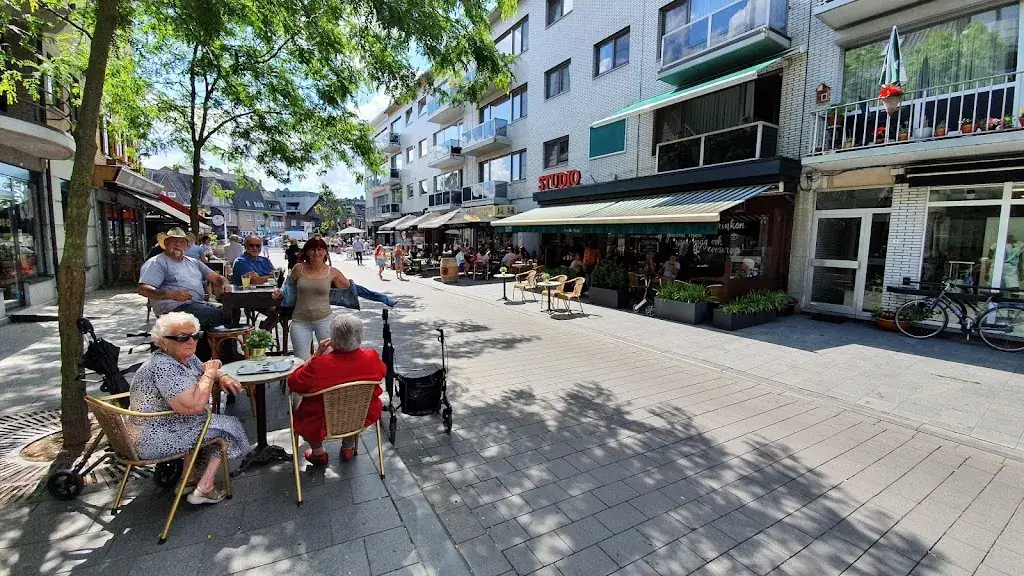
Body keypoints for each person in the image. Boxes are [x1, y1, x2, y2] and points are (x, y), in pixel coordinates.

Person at [129, 311, 249, 504]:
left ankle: (188, 479)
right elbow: (193, 407)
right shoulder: (164, 367)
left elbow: (206, 368)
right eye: (182, 337)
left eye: (195, 336)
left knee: (214, 423)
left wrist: (221, 376)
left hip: (165, 426)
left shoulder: (183, 357)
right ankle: (205, 487)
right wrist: (210, 374)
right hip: (154, 439)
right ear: (164, 341)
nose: (191, 341)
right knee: (229, 429)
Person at [287, 314, 386, 464]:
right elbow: (382, 372)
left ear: (332, 340)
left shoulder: (319, 365)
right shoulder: (371, 357)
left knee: (298, 403)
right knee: (351, 406)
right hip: (361, 416)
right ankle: (348, 447)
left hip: (322, 420)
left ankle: (318, 452)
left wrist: (316, 354)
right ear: (360, 337)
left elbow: (293, 383)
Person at [287, 238, 396, 358]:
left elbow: (355, 289)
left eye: (320, 249)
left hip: (324, 321)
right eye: (313, 249)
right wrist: (278, 294)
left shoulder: (332, 272)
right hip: (300, 322)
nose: (316, 253)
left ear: (325, 252)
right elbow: (286, 289)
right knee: (301, 361)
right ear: (307, 252)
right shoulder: (298, 269)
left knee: (329, 360)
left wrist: (382, 298)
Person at [138, 228, 233, 330]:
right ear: (165, 244)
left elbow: (216, 277)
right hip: (173, 310)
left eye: (181, 242)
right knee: (218, 315)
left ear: (187, 246)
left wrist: (224, 282)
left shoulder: (193, 262)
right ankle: (210, 345)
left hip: (196, 304)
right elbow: (142, 289)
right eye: (173, 241)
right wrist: (170, 294)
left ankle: (218, 344)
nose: (177, 244)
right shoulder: (157, 262)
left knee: (231, 311)